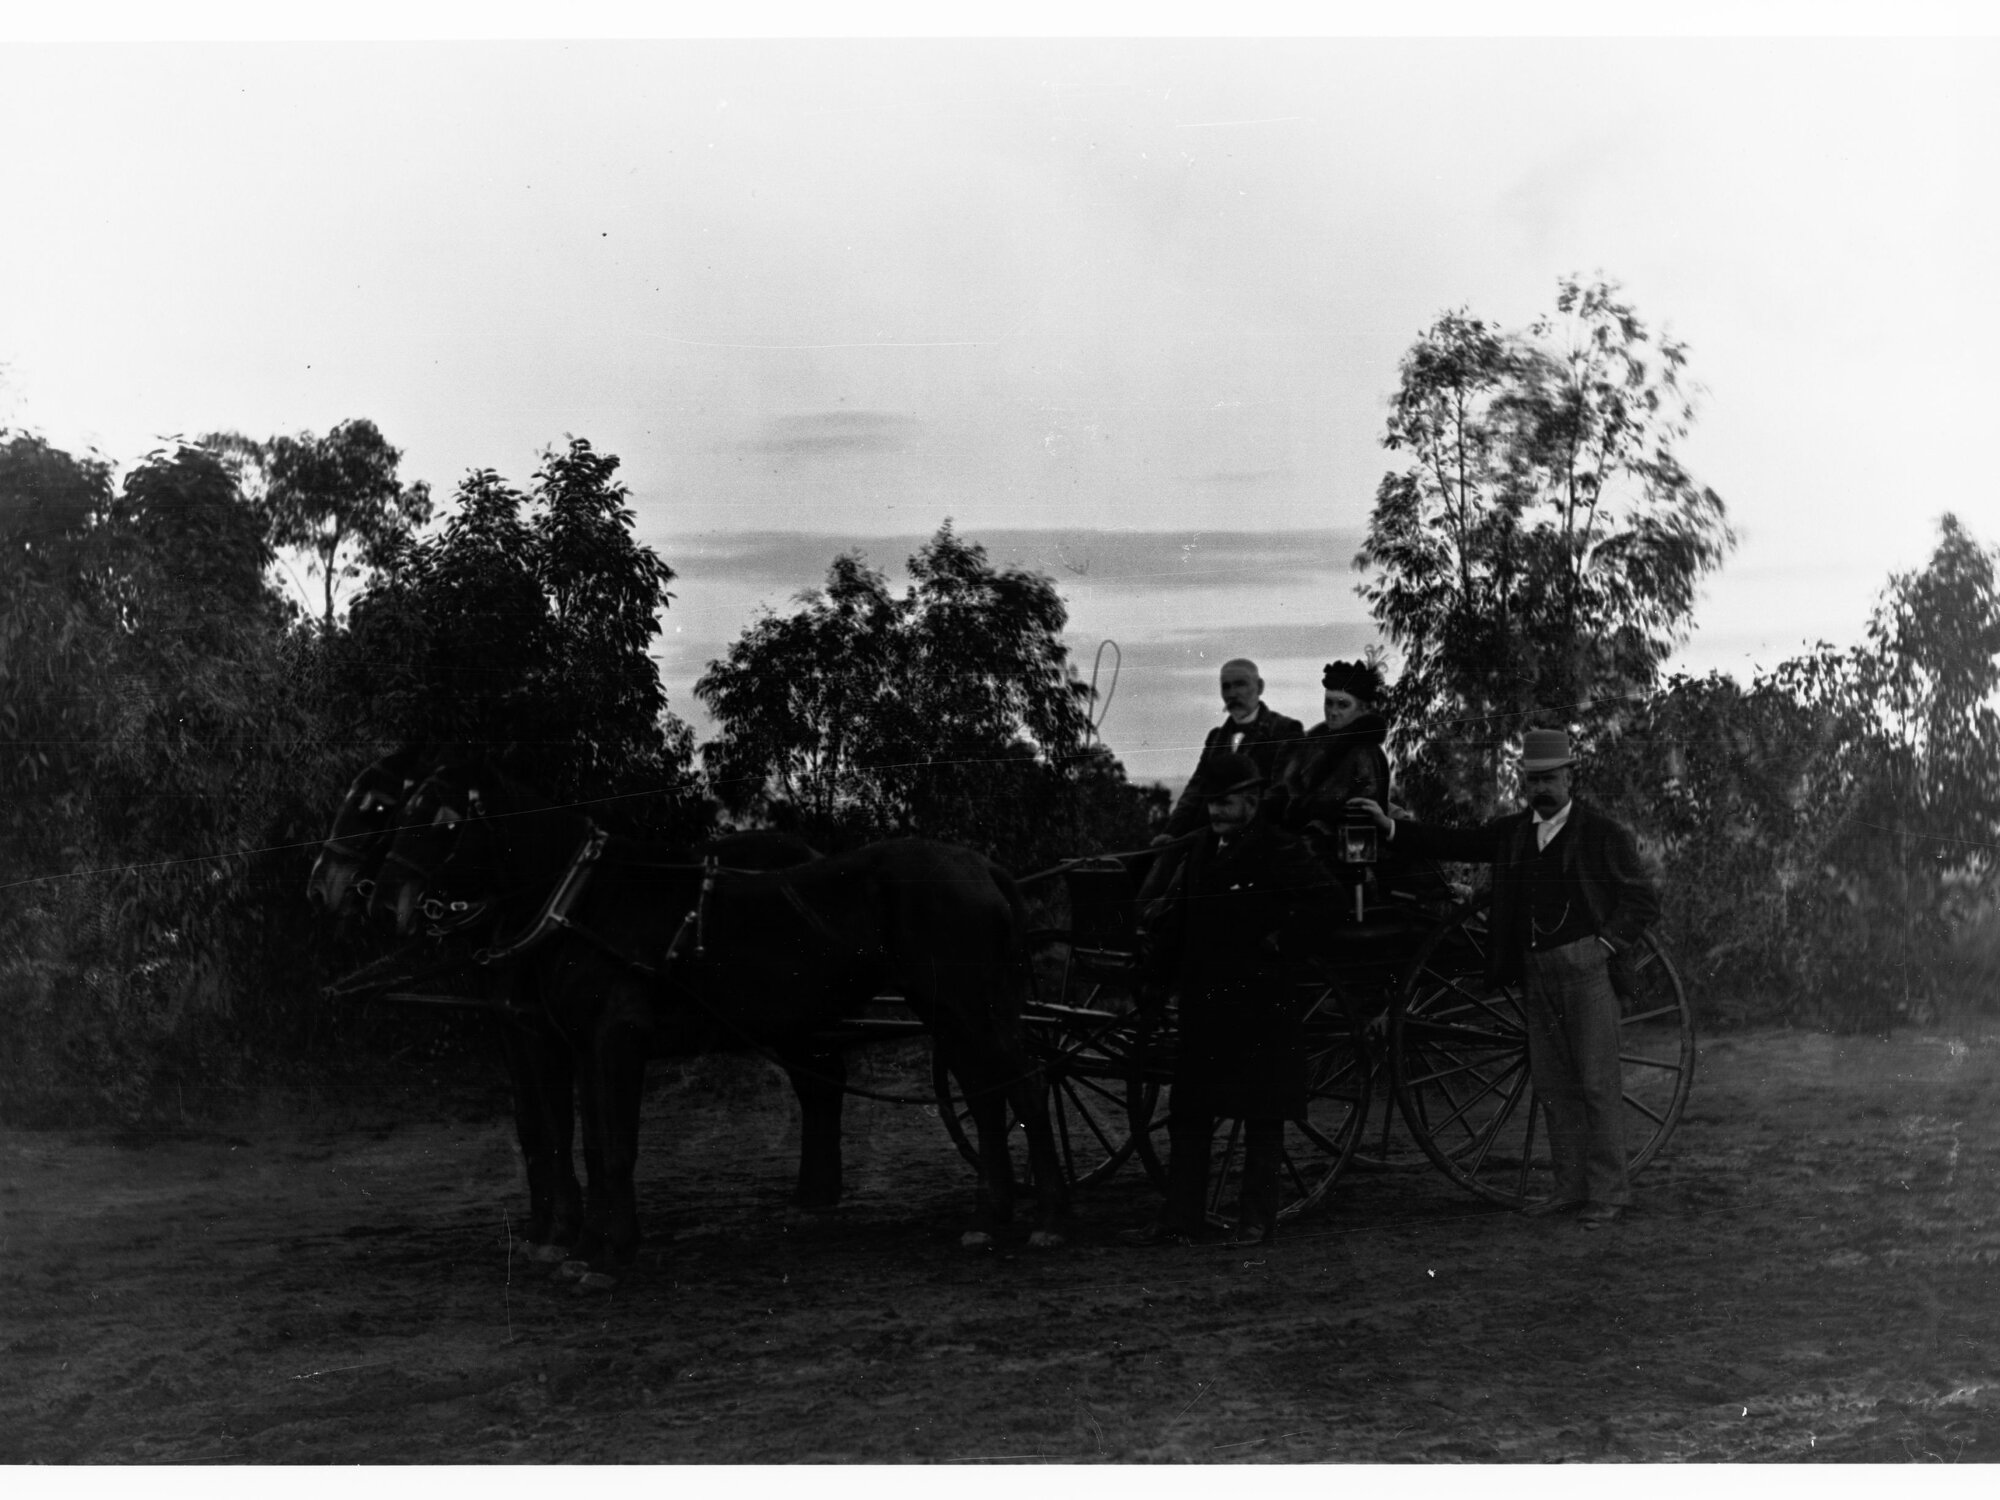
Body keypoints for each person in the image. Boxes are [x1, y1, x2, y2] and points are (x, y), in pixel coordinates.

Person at [1348, 728, 1661, 1230]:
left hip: (1587, 970)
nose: (1542, 787)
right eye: (1534, 779)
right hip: (1536, 972)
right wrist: (1390, 828)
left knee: (1598, 1084)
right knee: (1554, 1086)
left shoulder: (1603, 834)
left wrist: (1603, 946)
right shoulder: (1513, 833)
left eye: (1551, 778)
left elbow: (1642, 900)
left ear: (1570, 777)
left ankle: (1609, 1194)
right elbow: (1455, 842)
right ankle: (1568, 1189)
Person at [1122, 751, 1340, 1248]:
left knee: (1262, 1117)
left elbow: (1326, 902)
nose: (1216, 812)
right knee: (1190, 1113)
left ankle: (1256, 1221)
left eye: (1225, 803)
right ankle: (1181, 1218)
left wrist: (1284, 942)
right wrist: (1153, 972)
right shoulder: (1201, 847)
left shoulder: (1279, 849)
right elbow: (1179, 921)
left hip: (1261, 1005)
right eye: (1210, 804)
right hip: (1206, 1006)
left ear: (1252, 799)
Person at [1154, 658, 1305, 843]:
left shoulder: (1285, 730)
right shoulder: (1216, 738)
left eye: (1240, 685)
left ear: (1260, 687)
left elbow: (1283, 792)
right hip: (1213, 838)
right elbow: (1196, 790)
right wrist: (1171, 833)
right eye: (1226, 687)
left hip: (1263, 841)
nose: (1232, 694)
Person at [1273, 658, 1392, 850]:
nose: (1333, 712)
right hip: (1304, 845)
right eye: (1329, 703)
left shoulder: (1364, 752)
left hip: (1342, 851)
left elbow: (1363, 815)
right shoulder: (1312, 744)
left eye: (1343, 705)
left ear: (1362, 709)